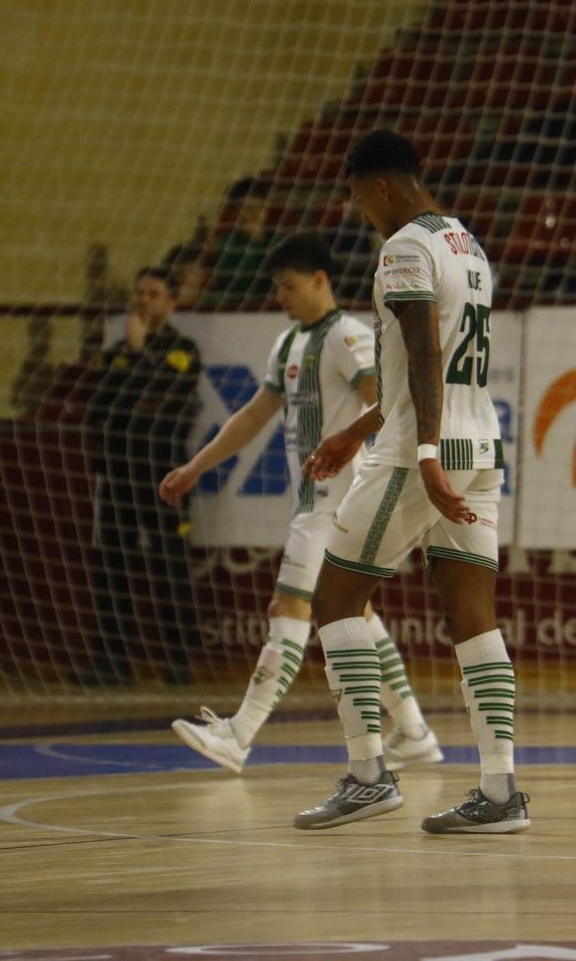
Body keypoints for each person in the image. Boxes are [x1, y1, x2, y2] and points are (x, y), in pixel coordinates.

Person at [289, 129, 524, 834]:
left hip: (422, 452)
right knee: (471, 616)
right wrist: (353, 432)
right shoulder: (465, 243)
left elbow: (424, 351)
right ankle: (501, 789)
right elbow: (435, 363)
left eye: (359, 197)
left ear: (381, 187)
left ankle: (368, 775)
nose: (360, 211)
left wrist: (420, 448)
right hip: (481, 444)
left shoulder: (402, 250)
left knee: (334, 598)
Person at [158, 233, 441, 774]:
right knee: (356, 614)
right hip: (317, 503)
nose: (280, 296)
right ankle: (413, 730)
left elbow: (385, 405)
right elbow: (252, 417)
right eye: (276, 287)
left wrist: (386, 477)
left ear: (320, 280)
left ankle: (239, 735)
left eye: (289, 285)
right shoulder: (287, 344)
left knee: (287, 609)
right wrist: (196, 467)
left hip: (336, 504)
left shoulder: (349, 336)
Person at [81, 265, 202, 685]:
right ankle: (112, 659)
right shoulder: (112, 351)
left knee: (170, 567)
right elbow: (102, 408)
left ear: (171, 302)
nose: (144, 302)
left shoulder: (182, 349)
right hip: (118, 474)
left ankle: (180, 659)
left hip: (164, 475)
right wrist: (133, 374)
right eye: (140, 294)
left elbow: (166, 395)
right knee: (113, 567)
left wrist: (137, 357)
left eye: (153, 294)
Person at [202, 176, 274, 307]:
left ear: (265, 209)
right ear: (233, 212)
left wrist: (257, 239)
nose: (249, 215)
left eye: (255, 208)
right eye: (242, 208)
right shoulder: (224, 244)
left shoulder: (278, 241)